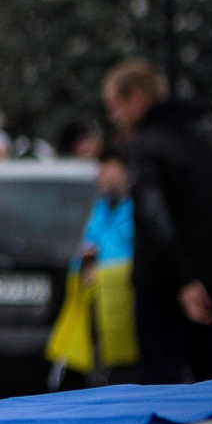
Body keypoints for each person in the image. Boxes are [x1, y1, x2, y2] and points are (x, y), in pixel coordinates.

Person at [102, 59, 212, 384]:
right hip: (211, 286)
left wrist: (184, 282)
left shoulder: (145, 148)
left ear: (135, 97)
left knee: (161, 390)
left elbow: (153, 218)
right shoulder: (210, 146)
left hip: (163, 288)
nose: (113, 117)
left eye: (114, 105)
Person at [47, 148, 137, 388]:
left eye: (105, 166)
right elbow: (89, 245)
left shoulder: (137, 208)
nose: (99, 174)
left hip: (129, 323)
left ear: (123, 169)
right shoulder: (102, 208)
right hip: (99, 319)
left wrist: (103, 273)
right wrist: (85, 262)